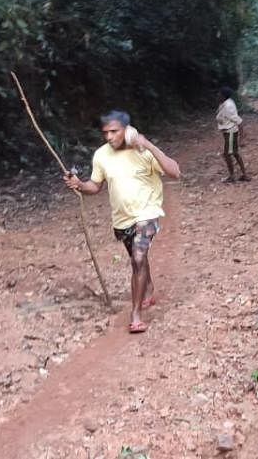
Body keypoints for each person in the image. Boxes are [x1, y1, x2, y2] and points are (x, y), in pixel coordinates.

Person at [63, 111, 182, 334]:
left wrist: (148, 144)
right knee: (139, 258)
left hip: (147, 214)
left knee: (137, 258)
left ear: (127, 130)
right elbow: (95, 186)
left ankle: (135, 316)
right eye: (105, 132)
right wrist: (78, 184)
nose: (109, 137)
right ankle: (148, 287)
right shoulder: (101, 155)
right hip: (121, 220)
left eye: (114, 131)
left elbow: (175, 172)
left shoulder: (143, 151)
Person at [216, 87, 250, 182]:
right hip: (229, 132)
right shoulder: (226, 103)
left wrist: (242, 138)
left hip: (230, 132)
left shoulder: (227, 106)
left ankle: (232, 176)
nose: (217, 96)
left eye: (219, 94)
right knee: (234, 153)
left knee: (228, 155)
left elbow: (239, 121)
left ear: (223, 96)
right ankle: (244, 175)